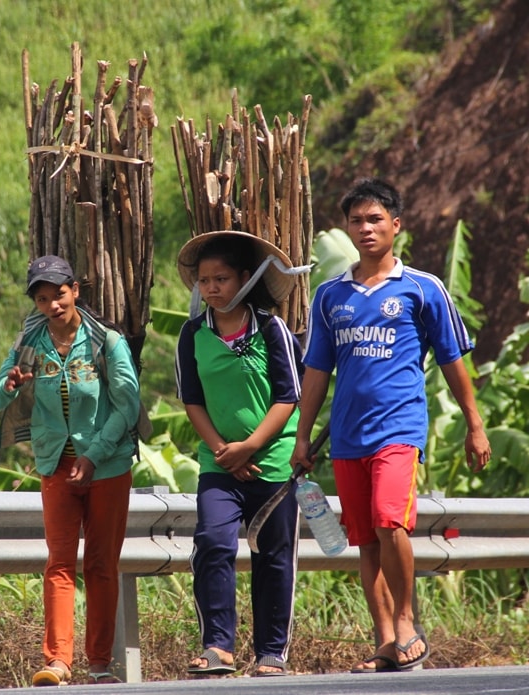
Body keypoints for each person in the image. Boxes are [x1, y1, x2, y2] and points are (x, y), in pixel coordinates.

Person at [291, 178, 491, 673]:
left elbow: (451, 360)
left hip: (399, 430)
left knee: (389, 521)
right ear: (346, 228)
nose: (366, 228)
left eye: (375, 218)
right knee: (365, 540)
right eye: (356, 220)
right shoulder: (329, 296)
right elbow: (317, 372)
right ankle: (386, 642)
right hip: (346, 437)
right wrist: (301, 437)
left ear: (396, 226)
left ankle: (406, 622)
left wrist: (475, 424)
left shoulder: (423, 288)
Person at [0, 255, 141, 687]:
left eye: (59, 294)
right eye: (42, 297)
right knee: (58, 563)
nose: (52, 304)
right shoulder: (29, 343)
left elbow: (127, 404)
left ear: (75, 290)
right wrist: (9, 384)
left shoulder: (105, 340)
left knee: (101, 564)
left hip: (106, 464)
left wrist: (94, 455)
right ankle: (57, 662)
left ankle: (100, 663)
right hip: (54, 463)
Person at [174, 231, 308, 677]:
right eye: (205, 280)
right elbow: (191, 399)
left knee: (273, 554)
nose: (212, 287)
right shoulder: (192, 334)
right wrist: (222, 450)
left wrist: (251, 446)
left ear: (245, 279)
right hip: (219, 464)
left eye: (222, 278)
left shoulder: (272, 329)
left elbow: (289, 396)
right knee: (212, 542)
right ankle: (218, 646)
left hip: (273, 461)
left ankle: (272, 651)